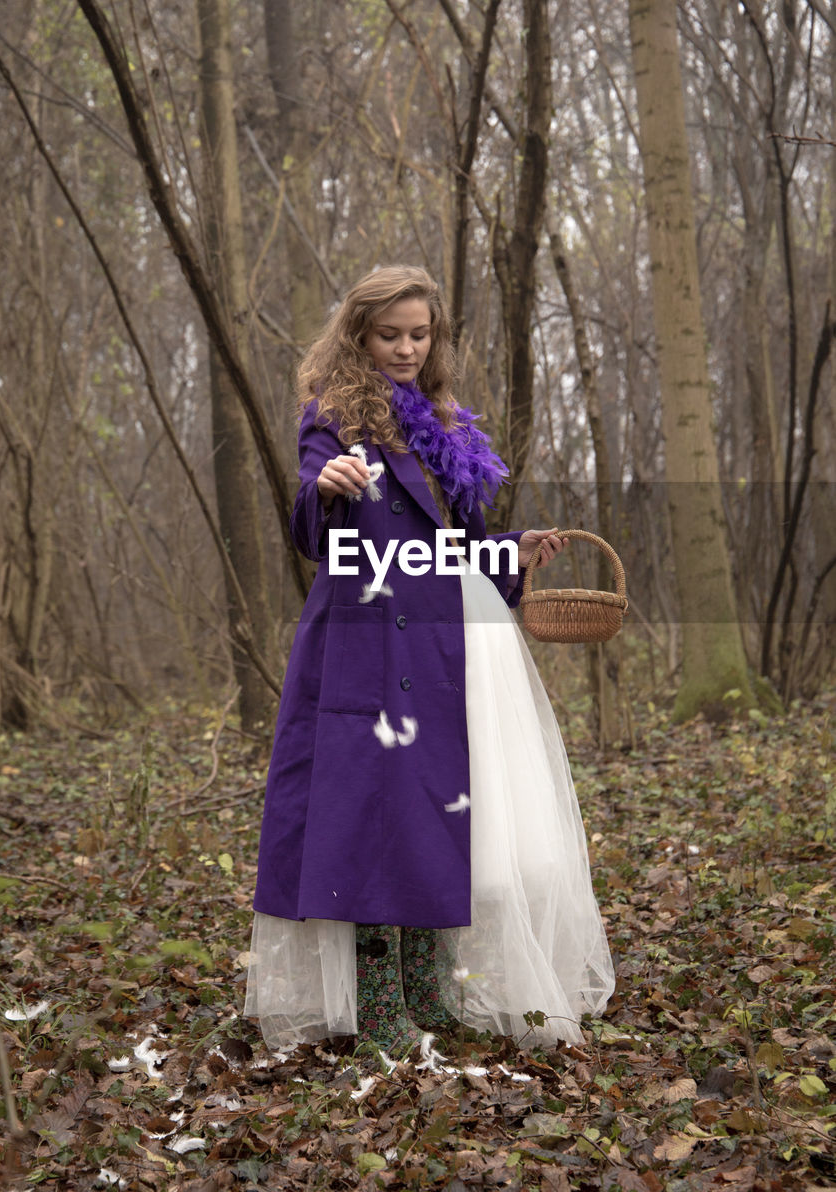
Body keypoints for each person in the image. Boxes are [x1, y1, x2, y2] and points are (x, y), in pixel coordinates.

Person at [245, 265, 614, 1054]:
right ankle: (380, 1009)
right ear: (358, 336)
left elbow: (465, 546)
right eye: (390, 335)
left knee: (442, 812)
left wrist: (514, 550)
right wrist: (331, 487)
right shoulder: (334, 419)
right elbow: (312, 531)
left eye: (420, 334)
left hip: (452, 637)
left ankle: (428, 995)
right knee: (375, 814)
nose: (406, 348)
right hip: (371, 637)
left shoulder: (446, 426)